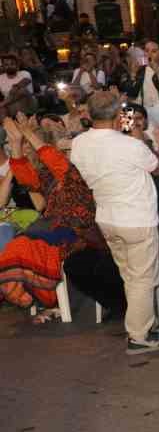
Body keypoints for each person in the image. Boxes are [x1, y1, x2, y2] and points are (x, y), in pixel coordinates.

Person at [66, 91, 159, 350]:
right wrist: (135, 134)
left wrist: (124, 128)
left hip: (107, 219)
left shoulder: (78, 144)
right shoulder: (130, 144)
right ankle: (140, 337)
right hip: (136, 219)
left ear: (88, 114)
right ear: (118, 115)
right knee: (141, 279)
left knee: (131, 277)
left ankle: (147, 323)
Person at [0, 117, 106, 321]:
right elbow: (24, 175)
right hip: (53, 227)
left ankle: (40, 298)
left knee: (24, 246)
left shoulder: (73, 171)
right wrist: (15, 143)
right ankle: (28, 294)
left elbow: (54, 160)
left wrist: (28, 133)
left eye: (31, 147)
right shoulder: (47, 175)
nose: (29, 150)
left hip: (80, 231)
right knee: (18, 245)